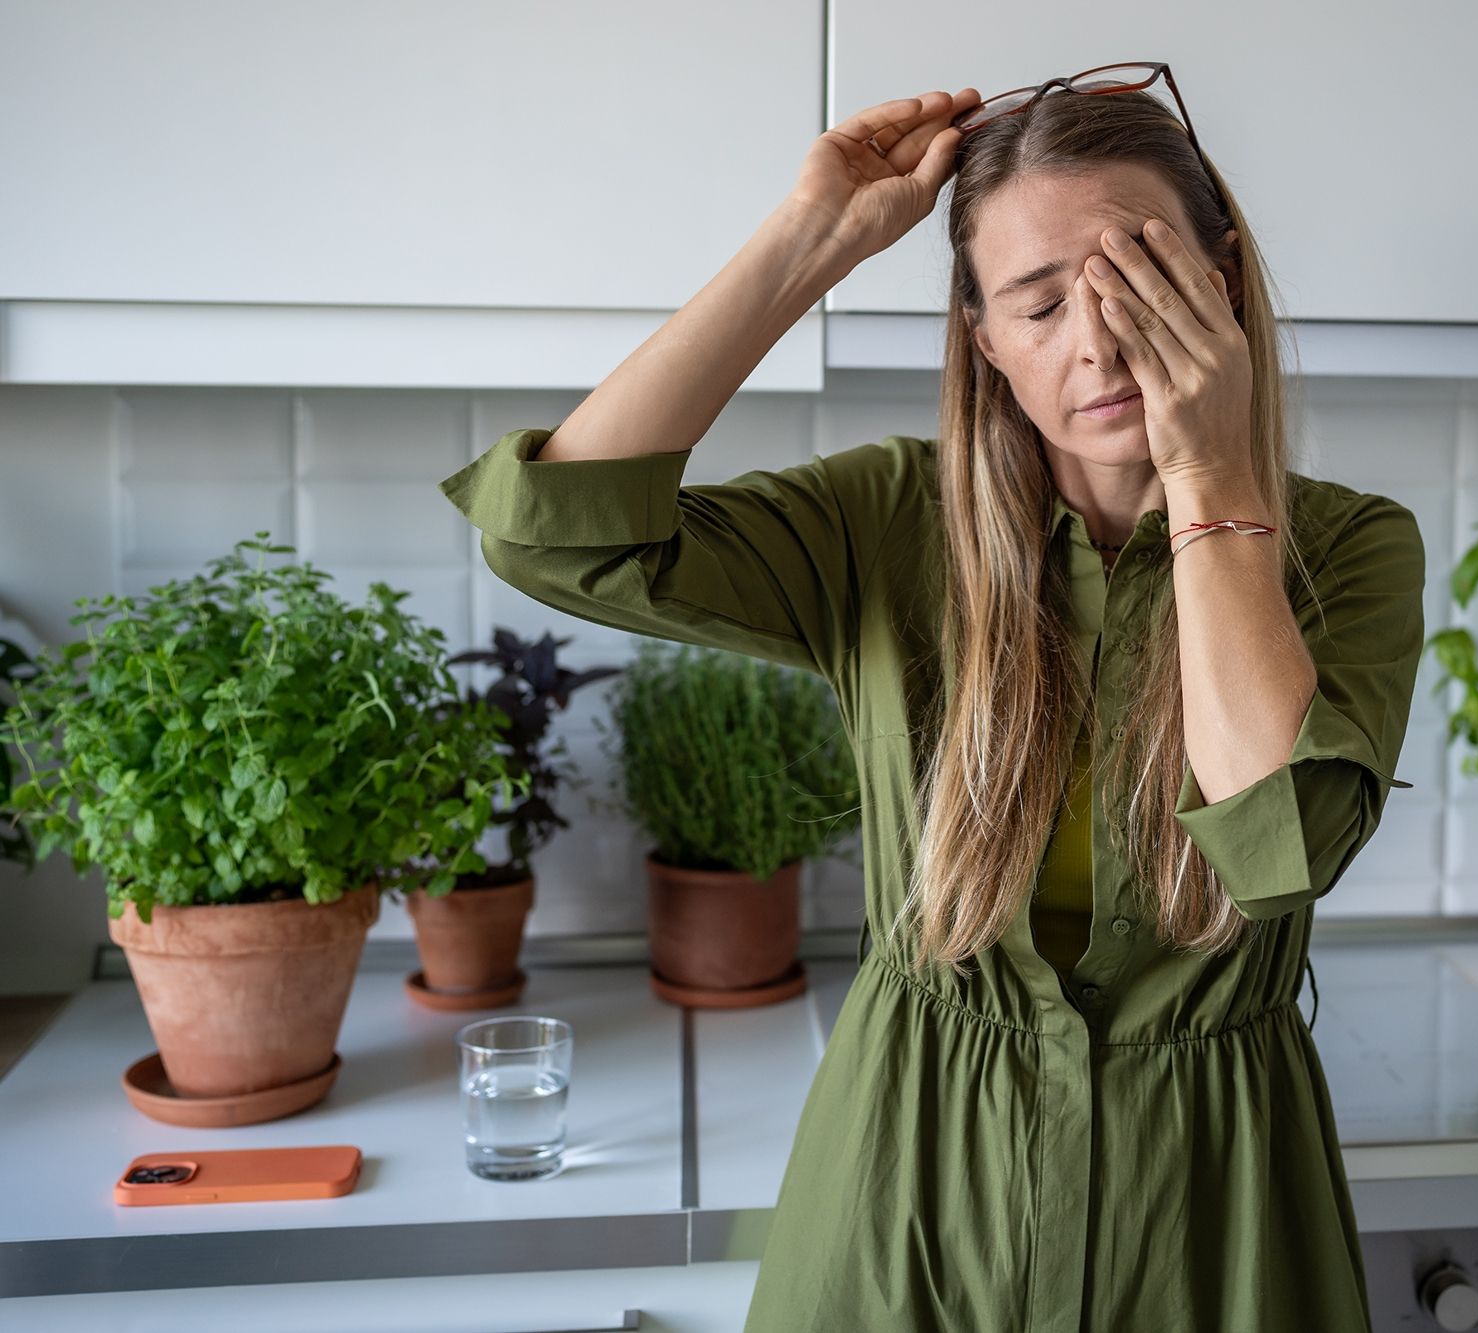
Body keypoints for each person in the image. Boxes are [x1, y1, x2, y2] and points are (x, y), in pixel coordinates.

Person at [440, 74, 1423, 1333]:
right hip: (904, 1189)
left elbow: (1278, 843)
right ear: (984, 338)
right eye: (1043, 301)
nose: (1100, 340)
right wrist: (810, 241)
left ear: (1222, 284)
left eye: (1142, 280)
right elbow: (556, 540)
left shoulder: (1346, 550)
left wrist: (1206, 470)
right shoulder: (886, 522)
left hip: (1212, 1220)